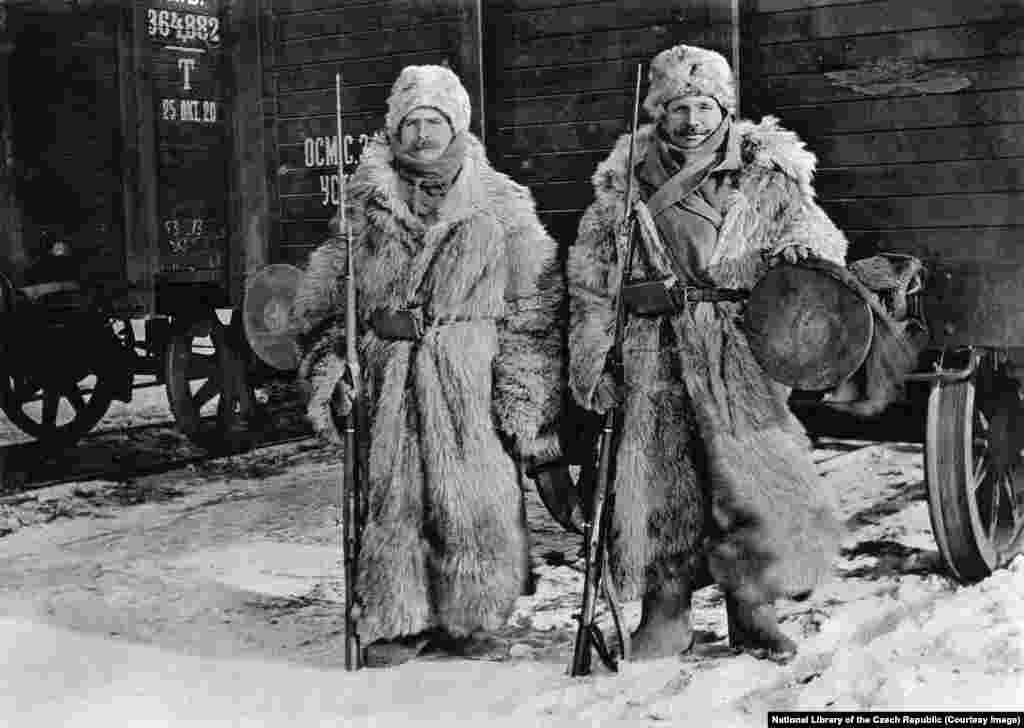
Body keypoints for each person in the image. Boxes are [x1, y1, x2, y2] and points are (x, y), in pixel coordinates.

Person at [568, 44, 846, 662]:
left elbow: (816, 233)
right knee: (661, 480)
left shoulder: (763, 173)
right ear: (658, 115)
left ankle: (753, 609)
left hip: (736, 346)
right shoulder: (623, 186)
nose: (692, 121)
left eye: (704, 106)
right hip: (653, 349)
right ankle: (664, 611)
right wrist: (596, 353)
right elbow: (591, 281)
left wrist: (800, 253)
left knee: (746, 481)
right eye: (677, 108)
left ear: (724, 108)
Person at [292, 65, 565, 666]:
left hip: (469, 371)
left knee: (476, 494)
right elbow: (326, 302)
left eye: (434, 121)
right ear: (393, 131)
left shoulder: (501, 204)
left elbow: (536, 304)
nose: (422, 134)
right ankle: (397, 619)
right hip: (388, 374)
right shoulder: (365, 207)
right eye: (410, 122)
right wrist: (335, 364)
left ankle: (471, 618)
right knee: (393, 496)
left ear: (457, 126)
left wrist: (523, 390)